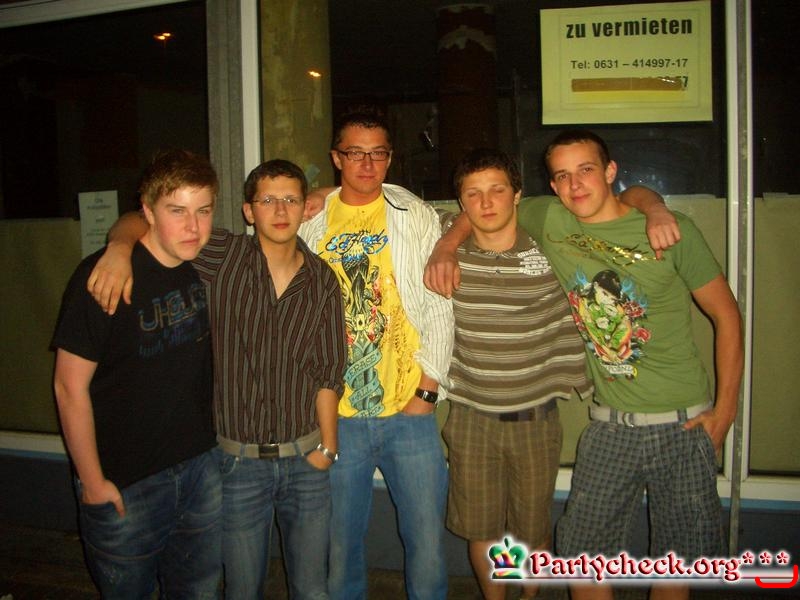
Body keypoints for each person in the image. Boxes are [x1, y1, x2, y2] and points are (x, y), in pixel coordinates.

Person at [428, 130, 744, 600]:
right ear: (551, 185)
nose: (574, 185)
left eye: (586, 170)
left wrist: (726, 410)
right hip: (609, 423)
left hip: (682, 421)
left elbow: (727, 315)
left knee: (675, 564)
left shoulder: (671, 230)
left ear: (611, 171)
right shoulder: (551, 218)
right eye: (562, 175)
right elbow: (473, 207)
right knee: (581, 554)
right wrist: (446, 246)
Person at [86, 159, 347, 599]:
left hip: (306, 461)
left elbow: (328, 368)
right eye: (268, 200)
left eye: (290, 199)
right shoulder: (222, 255)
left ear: (306, 208)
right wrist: (118, 247)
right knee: (241, 588)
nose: (280, 210)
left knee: (313, 589)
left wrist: (328, 448)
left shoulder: (321, 278)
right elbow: (146, 220)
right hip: (237, 465)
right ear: (249, 210)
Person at [298, 105, 454, 600]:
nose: (367, 164)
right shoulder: (308, 222)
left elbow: (439, 305)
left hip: (409, 411)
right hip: (336, 415)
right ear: (336, 158)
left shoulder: (413, 214)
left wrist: (427, 390)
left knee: (427, 543)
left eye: (378, 153)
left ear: (389, 158)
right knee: (340, 545)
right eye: (355, 153)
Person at [52, 149, 222, 598]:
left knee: (200, 591)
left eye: (203, 210)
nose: (193, 226)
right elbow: (68, 387)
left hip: (199, 468)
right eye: (177, 211)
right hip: (128, 485)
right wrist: (93, 483)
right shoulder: (102, 278)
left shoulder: (202, 265)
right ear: (148, 212)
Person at [440, 148, 592, 600]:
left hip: (535, 418)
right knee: (481, 527)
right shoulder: (445, 247)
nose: (486, 203)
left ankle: (528, 595)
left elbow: (622, 203)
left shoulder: (550, 245)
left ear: (518, 194)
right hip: (471, 418)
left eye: (497, 190)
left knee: (532, 527)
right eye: (473, 194)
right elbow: (377, 200)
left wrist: (655, 207)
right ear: (460, 203)